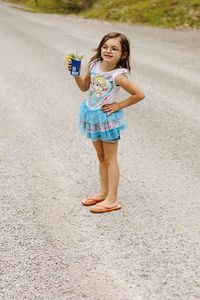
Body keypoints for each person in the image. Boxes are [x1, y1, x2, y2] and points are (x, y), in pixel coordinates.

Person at [67, 32, 145, 214]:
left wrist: (119, 105)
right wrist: (75, 74)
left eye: (114, 48)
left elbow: (139, 94)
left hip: (108, 119)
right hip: (92, 114)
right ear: (100, 48)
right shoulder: (94, 64)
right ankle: (103, 192)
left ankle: (112, 200)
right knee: (101, 157)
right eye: (105, 47)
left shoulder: (118, 75)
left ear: (123, 54)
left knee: (110, 159)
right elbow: (84, 87)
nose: (108, 51)